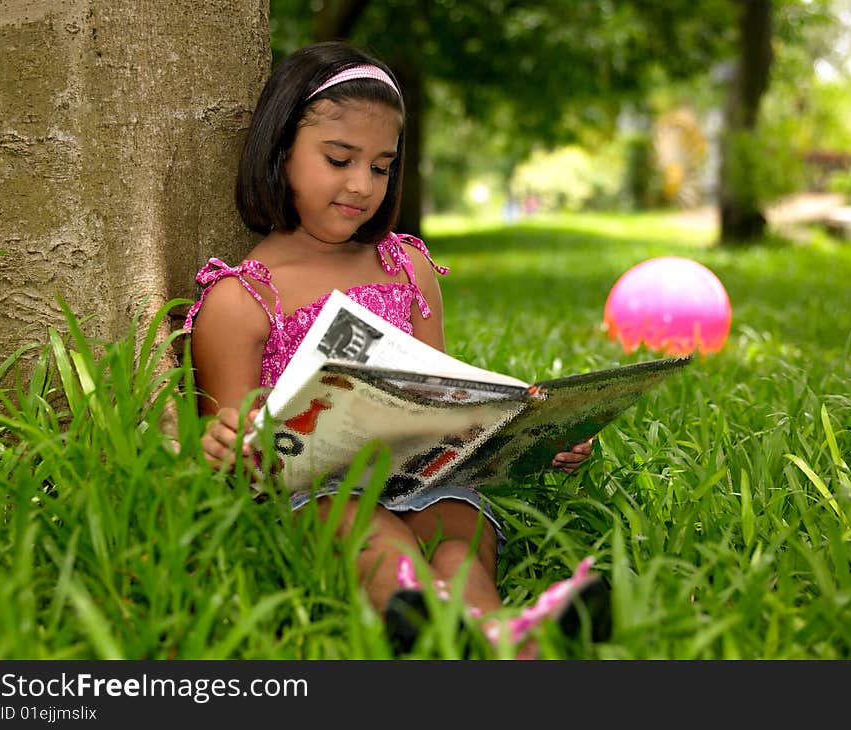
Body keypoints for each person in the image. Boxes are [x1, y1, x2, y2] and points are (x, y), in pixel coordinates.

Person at [184, 41, 605, 656]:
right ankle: (428, 623)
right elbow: (233, 446)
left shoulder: (404, 268)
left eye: (381, 167)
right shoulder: (242, 298)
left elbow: (442, 392)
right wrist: (225, 439)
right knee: (370, 533)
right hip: (318, 497)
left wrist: (537, 435)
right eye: (338, 159)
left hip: (423, 482)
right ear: (280, 152)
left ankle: (502, 635)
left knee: (460, 535)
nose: (361, 185)